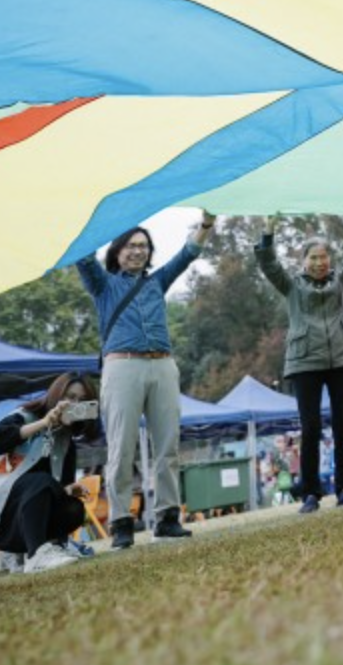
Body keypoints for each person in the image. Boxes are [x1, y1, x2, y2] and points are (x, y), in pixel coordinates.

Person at [75, 213, 214, 547]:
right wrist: (92, 215)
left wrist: (206, 225)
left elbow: (187, 254)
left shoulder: (157, 281)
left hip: (162, 365)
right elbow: (82, 255)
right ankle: (122, 522)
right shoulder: (103, 284)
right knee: (122, 447)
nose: (138, 252)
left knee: (168, 446)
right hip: (122, 366)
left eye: (143, 246)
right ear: (118, 252)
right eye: (131, 246)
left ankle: (168, 518)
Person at [255, 219, 343, 512]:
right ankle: (310, 494)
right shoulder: (292, 286)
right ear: (303, 261)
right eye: (313, 257)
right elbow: (270, 265)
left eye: (324, 257)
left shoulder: (342, 281)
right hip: (305, 361)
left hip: (342, 359)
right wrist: (268, 233)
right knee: (310, 428)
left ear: (329, 259)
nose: (320, 262)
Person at [0, 374, 100, 575]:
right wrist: (44, 423)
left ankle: (25, 550)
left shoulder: (67, 444)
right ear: (56, 394)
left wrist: (67, 489)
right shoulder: (24, 415)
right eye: (70, 397)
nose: (74, 404)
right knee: (40, 481)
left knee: (73, 508)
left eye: (81, 400)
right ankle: (35, 556)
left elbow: (53, 491)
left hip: (19, 516)